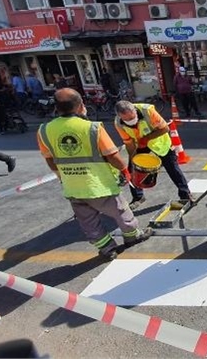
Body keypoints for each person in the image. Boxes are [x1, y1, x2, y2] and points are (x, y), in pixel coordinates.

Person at [37, 88, 153, 260]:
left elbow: (49, 159)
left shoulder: (44, 130)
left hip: (72, 186)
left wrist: (62, 176)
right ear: (80, 106)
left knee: (88, 220)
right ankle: (133, 236)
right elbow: (112, 155)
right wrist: (125, 171)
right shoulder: (92, 128)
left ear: (57, 108)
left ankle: (107, 248)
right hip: (99, 184)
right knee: (121, 211)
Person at [114, 100, 194, 210]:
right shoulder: (118, 123)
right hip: (140, 145)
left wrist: (146, 138)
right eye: (127, 120)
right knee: (133, 170)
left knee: (173, 168)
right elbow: (129, 143)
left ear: (135, 110)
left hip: (160, 144)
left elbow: (165, 128)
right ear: (119, 116)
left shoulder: (148, 111)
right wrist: (133, 159)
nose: (131, 121)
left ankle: (186, 195)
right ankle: (138, 197)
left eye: (132, 118)